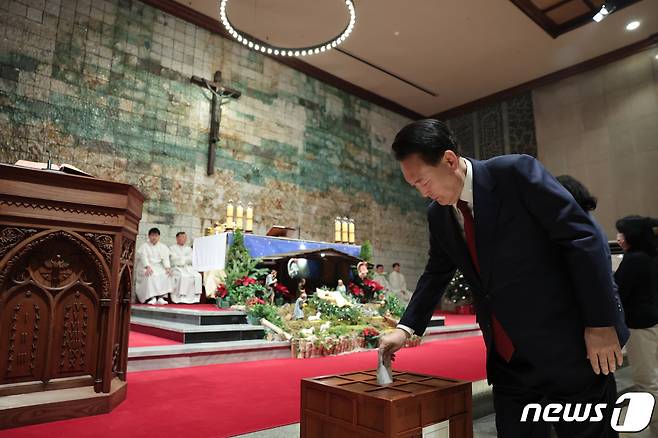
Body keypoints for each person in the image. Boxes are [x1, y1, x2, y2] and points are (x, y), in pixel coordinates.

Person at [379, 119, 628, 437]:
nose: (422, 193)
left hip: (568, 347)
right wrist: (406, 328)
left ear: (449, 160)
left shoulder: (515, 174)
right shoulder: (439, 214)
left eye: (422, 181)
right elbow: (436, 271)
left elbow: (584, 238)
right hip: (508, 360)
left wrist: (600, 323)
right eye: (414, 186)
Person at [614, 215, 658, 437]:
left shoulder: (634, 259)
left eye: (621, 233)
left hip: (640, 327)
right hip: (653, 322)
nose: (618, 238)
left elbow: (617, 291)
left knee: (646, 382)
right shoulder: (652, 255)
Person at [135, 228, 173, 305]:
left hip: (158, 266)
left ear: (159, 236)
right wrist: (147, 266)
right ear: (149, 236)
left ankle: (161, 297)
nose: (154, 237)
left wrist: (168, 268)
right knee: (151, 274)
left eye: (156, 235)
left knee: (165, 274)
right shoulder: (144, 246)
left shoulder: (163, 247)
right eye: (152, 235)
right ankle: (151, 297)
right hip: (146, 266)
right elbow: (143, 257)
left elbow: (165, 259)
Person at [169, 232, 202, 304]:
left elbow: (192, 259)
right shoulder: (172, 248)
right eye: (182, 237)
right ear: (177, 238)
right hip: (177, 268)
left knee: (197, 276)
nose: (183, 239)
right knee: (184, 276)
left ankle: (195, 298)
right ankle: (181, 297)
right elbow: (173, 259)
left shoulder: (188, 249)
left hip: (188, 268)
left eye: (185, 237)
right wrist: (184, 259)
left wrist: (182, 259)